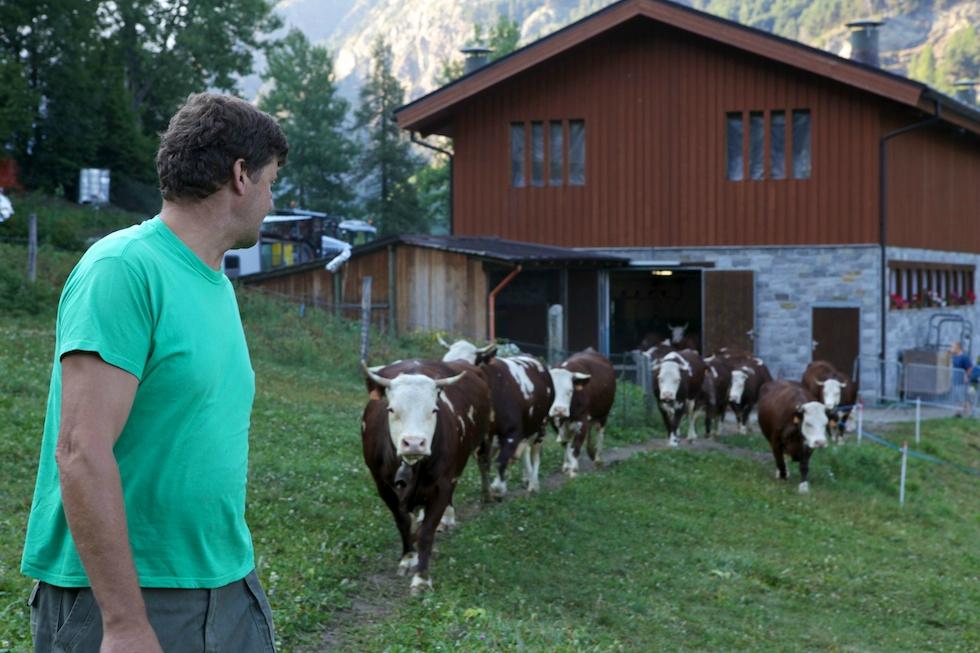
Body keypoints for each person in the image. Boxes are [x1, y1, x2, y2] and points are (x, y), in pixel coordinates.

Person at [21, 93, 287, 652]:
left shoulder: (214, 284)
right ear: (241, 175)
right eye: (271, 181)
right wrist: (123, 622)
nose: (271, 200)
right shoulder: (123, 269)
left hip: (226, 584)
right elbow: (80, 450)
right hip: (127, 600)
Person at [950, 341, 978, 416]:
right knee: (957, 398)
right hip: (956, 381)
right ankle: (958, 413)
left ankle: (969, 414)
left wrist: (966, 376)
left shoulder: (964, 357)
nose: (950, 348)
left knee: (965, 398)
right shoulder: (954, 357)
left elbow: (970, 368)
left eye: (952, 347)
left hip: (963, 382)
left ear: (957, 347)